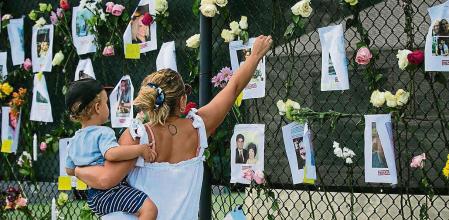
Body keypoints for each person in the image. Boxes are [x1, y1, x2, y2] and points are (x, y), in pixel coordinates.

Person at [74, 35, 272, 220]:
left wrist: (76, 171)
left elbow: (106, 179)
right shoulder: (199, 128)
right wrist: (254, 56)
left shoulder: (137, 137)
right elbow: (234, 87)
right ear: (183, 100)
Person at [64, 78, 158, 219]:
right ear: (97, 107)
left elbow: (69, 170)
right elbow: (112, 154)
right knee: (150, 209)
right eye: (106, 102)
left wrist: (86, 170)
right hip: (111, 192)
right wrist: (141, 149)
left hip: (93, 198)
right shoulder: (103, 133)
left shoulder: (74, 140)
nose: (108, 106)